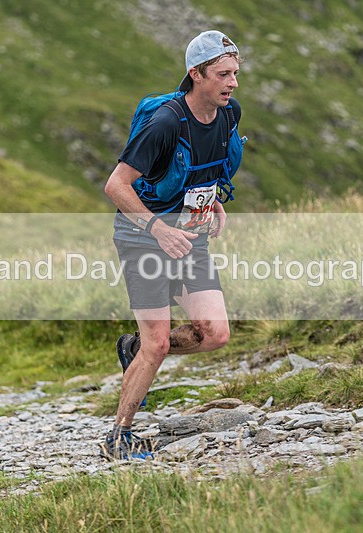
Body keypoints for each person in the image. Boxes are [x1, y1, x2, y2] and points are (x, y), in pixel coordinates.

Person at [101, 30, 243, 460]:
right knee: (158, 342)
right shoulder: (165, 123)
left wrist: (214, 200)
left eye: (235, 73)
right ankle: (119, 437)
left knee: (215, 334)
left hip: (188, 238)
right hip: (142, 238)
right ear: (195, 74)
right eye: (223, 74)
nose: (232, 83)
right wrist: (156, 230)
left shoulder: (228, 113)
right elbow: (116, 186)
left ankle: (133, 350)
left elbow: (204, 170)